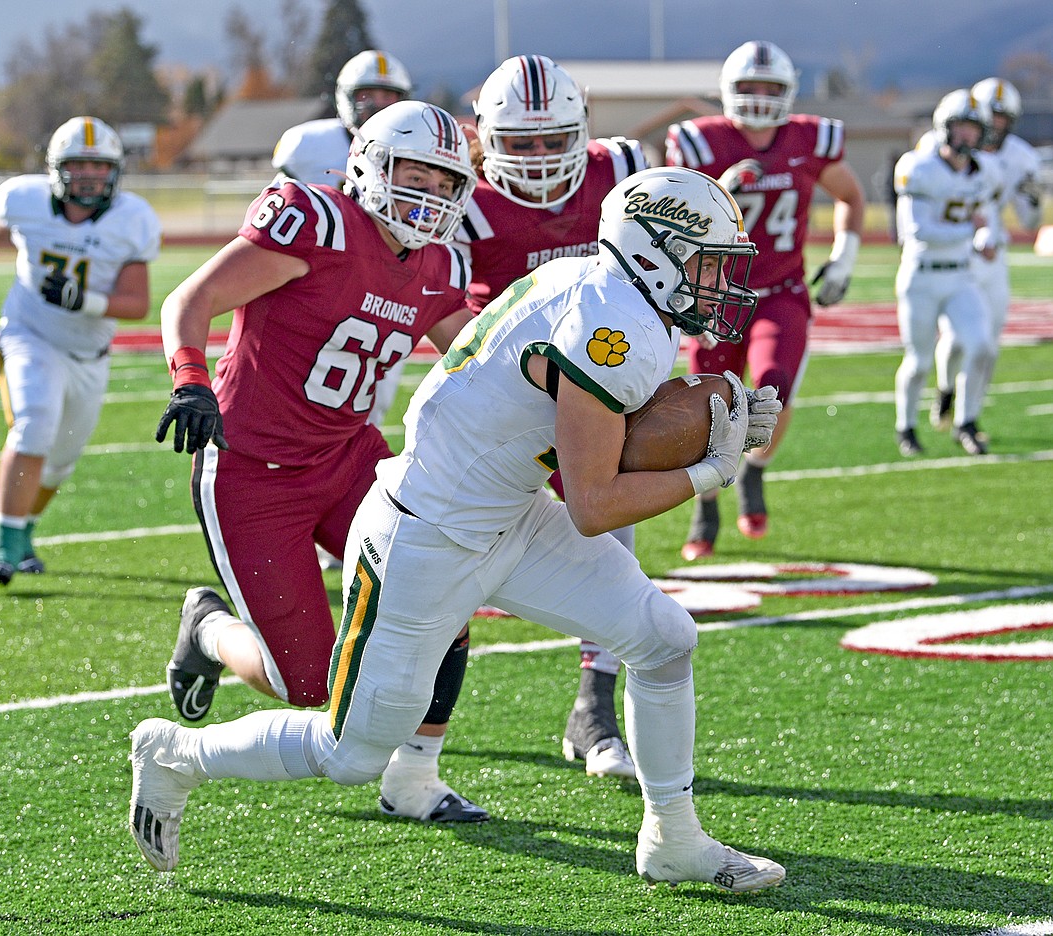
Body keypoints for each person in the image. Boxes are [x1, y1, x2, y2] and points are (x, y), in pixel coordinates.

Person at [129, 165, 786, 892]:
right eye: (705, 261)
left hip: (507, 512)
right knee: (349, 755)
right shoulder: (612, 321)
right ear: (656, 252)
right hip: (427, 535)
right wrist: (710, 470)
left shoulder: (603, 287)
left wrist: (700, 426)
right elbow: (595, 505)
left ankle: (675, 838)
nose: (716, 281)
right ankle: (172, 755)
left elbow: (602, 439)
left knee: (664, 639)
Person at [152, 100, 487, 824]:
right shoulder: (317, 222)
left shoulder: (438, 264)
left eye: (443, 185)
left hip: (348, 459)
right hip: (252, 472)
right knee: (309, 682)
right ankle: (208, 628)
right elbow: (194, 297)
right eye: (414, 177)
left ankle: (416, 778)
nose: (427, 200)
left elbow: (482, 358)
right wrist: (189, 377)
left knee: (448, 593)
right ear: (369, 164)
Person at [458, 54, 649, 781]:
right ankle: (415, 735)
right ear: (485, 138)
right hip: (495, 404)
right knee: (453, 559)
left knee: (613, 544)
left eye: (553, 140)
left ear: (584, 129)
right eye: (521, 143)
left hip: (596, 392)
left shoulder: (623, 170)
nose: (539, 160)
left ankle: (593, 707)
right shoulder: (464, 201)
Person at [0, 116, 161, 584]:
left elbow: (138, 303)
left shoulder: (133, 219)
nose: (89, 174)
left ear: (115, 171)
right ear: (55, 168)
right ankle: (3, 543)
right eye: (78, 164)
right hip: (29, 336)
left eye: (98, 164)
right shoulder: (25, 201)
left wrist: (81, 299)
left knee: (62, 460)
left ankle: (23, 530)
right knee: (33, 425)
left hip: (89, 353)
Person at [665, 40, 865, 560]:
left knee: (772, 394)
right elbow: (663, 220)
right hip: (712, 295)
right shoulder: (700, 144)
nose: (757, 98)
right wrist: (711, 195)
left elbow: (851, 195)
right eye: (748, 88)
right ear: (727, 92)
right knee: (710, 402)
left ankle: (754, 471)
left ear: (788, 92)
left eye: (769, 88)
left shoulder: (808, 138)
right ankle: (705, 502)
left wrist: (844, 257)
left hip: (780, 292)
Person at [271, 49, 414, 444]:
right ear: (345, 97)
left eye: (390, 96)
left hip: (384, 291)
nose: (379, 105)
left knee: (367, 408)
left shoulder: (419, 150)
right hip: (314, 285)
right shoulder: (308, 145)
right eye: (368, 93)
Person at [928, 77, 1044, 441]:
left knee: (988, 345)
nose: (993, 125)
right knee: (956, 340)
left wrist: (1033, 197)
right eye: (988, 116)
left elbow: (1030, 221)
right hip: (955, 253)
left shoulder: (1021, 157)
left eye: (1002, 118)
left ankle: (968, 419)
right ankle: (946, 388)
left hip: (993, 257)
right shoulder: (937, 146)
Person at [892, 90, 1000, 457]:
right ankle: (906, 427)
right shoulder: (919, 167)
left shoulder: (985, 172)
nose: (968, 136)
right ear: (945, 127)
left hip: (960, 276)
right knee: (919, 360)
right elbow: (919, 231)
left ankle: (966, 422)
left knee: (982, 345)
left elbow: (987, 222)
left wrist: (986, 238)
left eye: (975, 128)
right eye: (962, 127)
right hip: (921, 276)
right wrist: (972, 233)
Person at [271, 49, 411, 188]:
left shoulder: (417, 146)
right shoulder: (306, 143)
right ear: (346, 98)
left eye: (387, 97)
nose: (378, 106)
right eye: (367, 96)